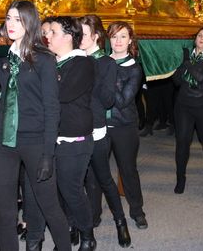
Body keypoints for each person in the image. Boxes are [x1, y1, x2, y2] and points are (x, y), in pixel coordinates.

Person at [0, 1, 70, 251]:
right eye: (8, 19)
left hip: (35, 141)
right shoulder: (5, 56)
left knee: (48, 204)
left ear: (30, 23)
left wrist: (48, 154)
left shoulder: (44, 60)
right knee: (4, 210)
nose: (11, 24)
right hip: (3, 140)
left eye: (18, 19)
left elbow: (52, 108)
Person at [44, 16, 96, 250]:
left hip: (73, 139)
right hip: (52, 137)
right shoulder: (53, 62)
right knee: (57, 190)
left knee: (71, 190)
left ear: (68, 37)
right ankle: (69, 230)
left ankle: (87, 235)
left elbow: (61, 94)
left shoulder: (82, 63)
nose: (47, 36)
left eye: (53, 32)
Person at [79, 15, 131, 247]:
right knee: (77, 181)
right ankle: (81, 223)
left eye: (82, 34)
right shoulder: (74, 58)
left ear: (96, 37)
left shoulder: (106, 63)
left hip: (97, 127)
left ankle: (121, 222)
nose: (77, 38)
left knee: (103, 179)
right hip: (73, 128)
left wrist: (91, 73)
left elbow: (109, 100)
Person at [106, 21, 147, 228]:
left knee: (128, 170)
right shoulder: (102, 62)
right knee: (95, 172)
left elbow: (122, 101)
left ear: (130, 40)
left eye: (123, 36)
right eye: (114, 36)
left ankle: (137, 210)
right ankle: (92, 213)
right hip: (100, 126)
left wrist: (107, 73)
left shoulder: (134, 68)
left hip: (124, 126)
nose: (118, 41)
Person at [172, 27, 203, 193]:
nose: (202, 38)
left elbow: (200, 78)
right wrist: (184, 65)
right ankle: (180, 178)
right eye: (200, 36)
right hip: (183, 105)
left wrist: (187, 63)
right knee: (182, 142)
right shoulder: (190, 56)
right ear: (195, 39)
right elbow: (177, 81)